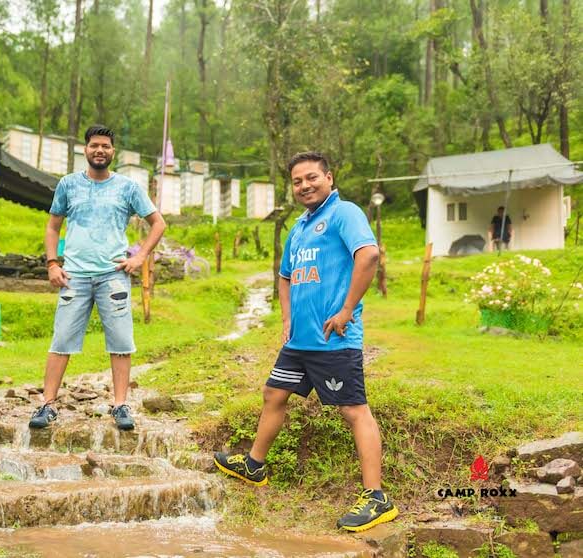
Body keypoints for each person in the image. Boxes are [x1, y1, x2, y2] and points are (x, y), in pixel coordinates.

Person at [212, 151, 398, 533]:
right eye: (297, 181)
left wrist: (347, 309)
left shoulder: (344, 213)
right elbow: (285, 276)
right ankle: (254, 465)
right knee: (273, 394)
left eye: (312, 177)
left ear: (329, 177)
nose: (304, 186)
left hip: (334, 339)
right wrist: (287, 319)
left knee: (353, 410)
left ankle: (377, 497)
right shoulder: (299, 227)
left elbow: (368, 256)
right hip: (300, 342)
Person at [29, 124, 166, 431]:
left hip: (113, 276)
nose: (99, 150)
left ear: (113, 151)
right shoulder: (68, 184)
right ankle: (47, 405)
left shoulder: (128, 187)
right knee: (61, 340)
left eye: (105, 146)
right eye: (94, 145)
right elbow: (52, 226)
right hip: (74, 275)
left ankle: (120, 405)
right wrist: (52, 263)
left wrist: (140, 256)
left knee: (121, 341)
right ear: (86, 149)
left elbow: (158, 223)